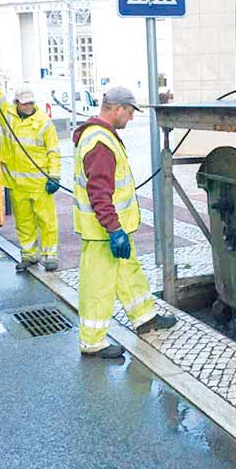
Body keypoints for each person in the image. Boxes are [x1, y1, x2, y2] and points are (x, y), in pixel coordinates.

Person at [72, 86, 177, 358]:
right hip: (103, 232)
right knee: (98, 285)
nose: (130, 118)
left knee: (129, 273)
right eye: (129, 112)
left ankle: (144, 318)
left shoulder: (101, 136)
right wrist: (113, 229)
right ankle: (92, 342)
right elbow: (99, 192)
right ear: (117, 109)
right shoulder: (100, 144)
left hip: (112, 228)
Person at [0, 38, 61, 272]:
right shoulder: (8, 116)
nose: (28, 107)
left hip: (41, 184)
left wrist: (55, 176)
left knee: (47, 221)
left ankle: (50, 256)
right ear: (16, 103)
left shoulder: (43, 123)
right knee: (24, 223)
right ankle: (29, 255)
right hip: (19, 185)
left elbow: (54, 151)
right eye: (24, 104)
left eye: (31, 103)